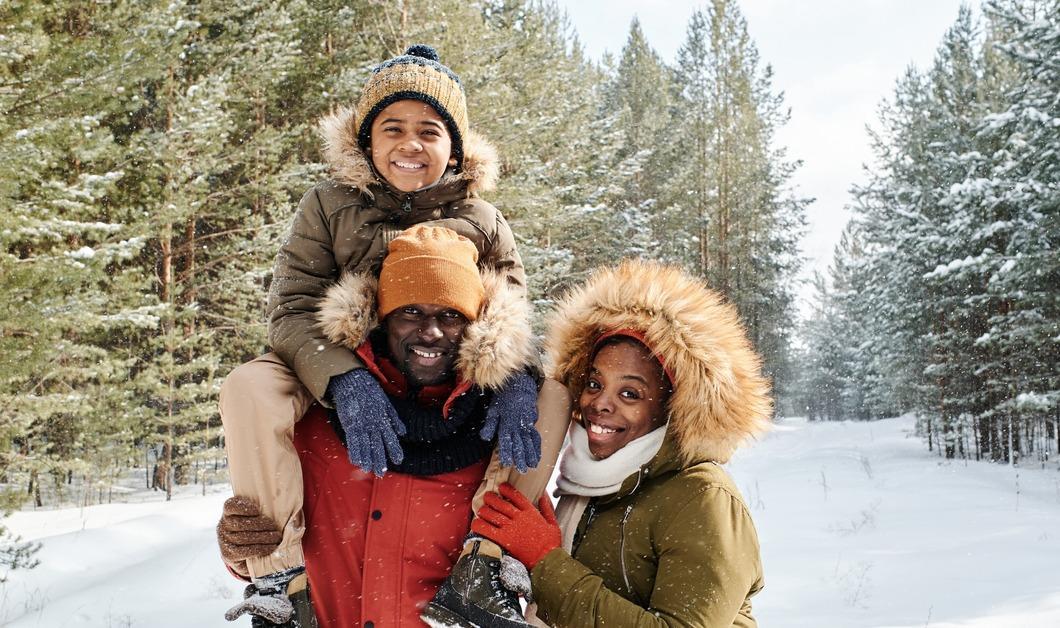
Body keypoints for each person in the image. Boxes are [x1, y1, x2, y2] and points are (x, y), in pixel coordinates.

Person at [218, 44, 566, 626]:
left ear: (453, 146)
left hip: (453, 374)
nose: (411, 143)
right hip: (336, 357)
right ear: (366, 141)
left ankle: (488, 562)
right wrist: (345, 378)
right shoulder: (329, 206)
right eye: (392, 128)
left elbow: (512, 310)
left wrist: (511, 375)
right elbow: (293, 308)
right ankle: (277, 576)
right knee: (250, 386)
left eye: (429, 130)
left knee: (549, 393)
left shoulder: (483, 219)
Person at [219, 226, 571, 627]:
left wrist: (533, 551)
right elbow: (276, 525)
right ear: (382, 318)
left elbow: (532, 557)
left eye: (451, 316)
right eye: (410, 312)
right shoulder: (312, 416)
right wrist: (246, 548)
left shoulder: (501, 432)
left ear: (476, 326)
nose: (431, 331)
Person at [471, 259, 772, 627]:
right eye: (594, 384)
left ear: (672, 407)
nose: (600, 403)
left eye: (630, 393)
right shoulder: (591, 484)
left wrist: (546, 561)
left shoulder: (703, 498)